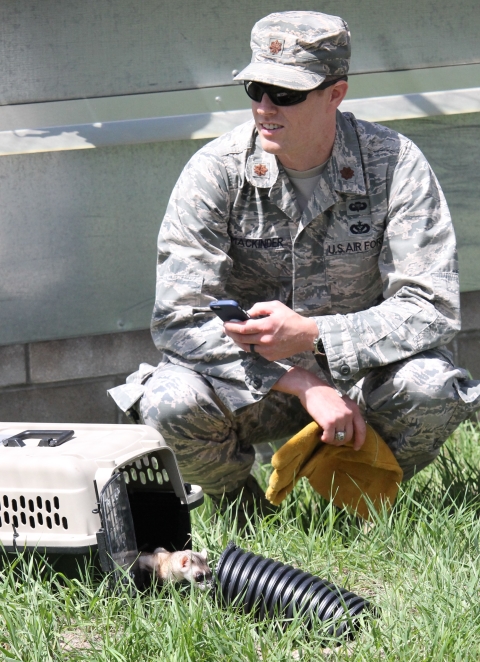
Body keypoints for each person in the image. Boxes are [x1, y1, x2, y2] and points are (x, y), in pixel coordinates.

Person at [108, 11, 480, 512]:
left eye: (285, 93)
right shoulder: (217, 172)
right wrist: (299, 379)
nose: (265, 107)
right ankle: (241, 514)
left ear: (336, 93)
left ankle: (349, 500)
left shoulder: (394, 164)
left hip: (361, 383)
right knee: (167, 401)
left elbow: (432, 307)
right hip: (252, 384)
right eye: (256, 88)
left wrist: (315, 336)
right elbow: (179, 320)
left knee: (431, 386)